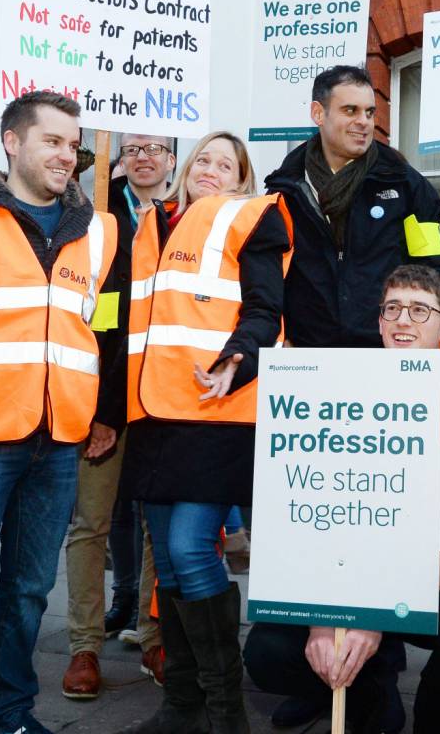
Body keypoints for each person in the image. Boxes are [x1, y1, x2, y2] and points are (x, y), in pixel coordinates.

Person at [244, 264, 440, 734]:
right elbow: (296, 526)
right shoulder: (324, 396)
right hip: (337, 578)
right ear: (380, 322)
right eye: (393, 309)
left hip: (426, 581)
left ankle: (433, 718)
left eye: (420, 311)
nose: (403, 320)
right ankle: (369, 695)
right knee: (266, 652)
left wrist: (375, 617)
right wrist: (322, 622)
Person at [0, 91, 118, 734]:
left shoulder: (95, 231)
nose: (66, 155)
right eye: (52, 141)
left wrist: (101, 411)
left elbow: (96, 327)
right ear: (13, 142)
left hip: (59, 442)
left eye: (73, 145)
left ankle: (9, 714)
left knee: (25, 595)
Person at [118, 131, 293, 734]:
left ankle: (226, 712)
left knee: (192, 548)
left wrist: (235, 360)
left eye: (227, 162)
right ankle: (182, 706)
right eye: (204, 160)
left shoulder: (252, 218)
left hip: (218, 410)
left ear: (242, 177)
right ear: (186, 169)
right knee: (166, 563)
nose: (212, 169)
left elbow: (266, 311)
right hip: (153, 415)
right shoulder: (148, 227)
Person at [63, 134, 175, 699]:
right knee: (90, 523)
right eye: (134, 148)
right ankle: (83, 646)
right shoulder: (94, 218)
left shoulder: (190, 218)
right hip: (104, 398)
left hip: (167, 399)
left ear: (172, 160)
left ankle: (153, 635)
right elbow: (95, 321)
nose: (144, 157)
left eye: (156, 148)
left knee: (161, 526)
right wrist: (102, 409)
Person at [266, 65, 440, 349]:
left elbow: (431, 270)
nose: (364, 121)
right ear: (318, 113)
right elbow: (268, 277)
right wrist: (279, 337)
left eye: (369, 112)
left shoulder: (406, 185)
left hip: (384, 352)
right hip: (303, 357)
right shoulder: (284, 190)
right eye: (350, 110)